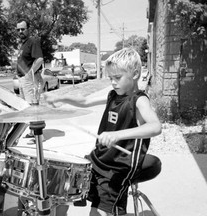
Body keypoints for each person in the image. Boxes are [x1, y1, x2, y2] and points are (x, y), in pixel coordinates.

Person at [44, 48, 162, 216]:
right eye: (110, 78)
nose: (113, 82)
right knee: (62, 189)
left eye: (117, 78)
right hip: (98, 159)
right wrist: (59, 98)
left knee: (98, 212)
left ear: (135, 74)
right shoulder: (112, 95)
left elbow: (155, 127)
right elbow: (85, 101)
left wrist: (117, 135)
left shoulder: (139, 100)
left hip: (118, 167)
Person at [16, 18, 44, 138]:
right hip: (22, 80)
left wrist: (29, 74)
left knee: (33, 107)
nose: (20, 31)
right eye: (18, 29)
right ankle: (33, 132)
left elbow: (39, 59)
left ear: (28, 29)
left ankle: (39, 135)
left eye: (23, 29)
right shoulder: (23, 44)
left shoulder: (33, 41)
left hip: (30, 79)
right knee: (27, 108)